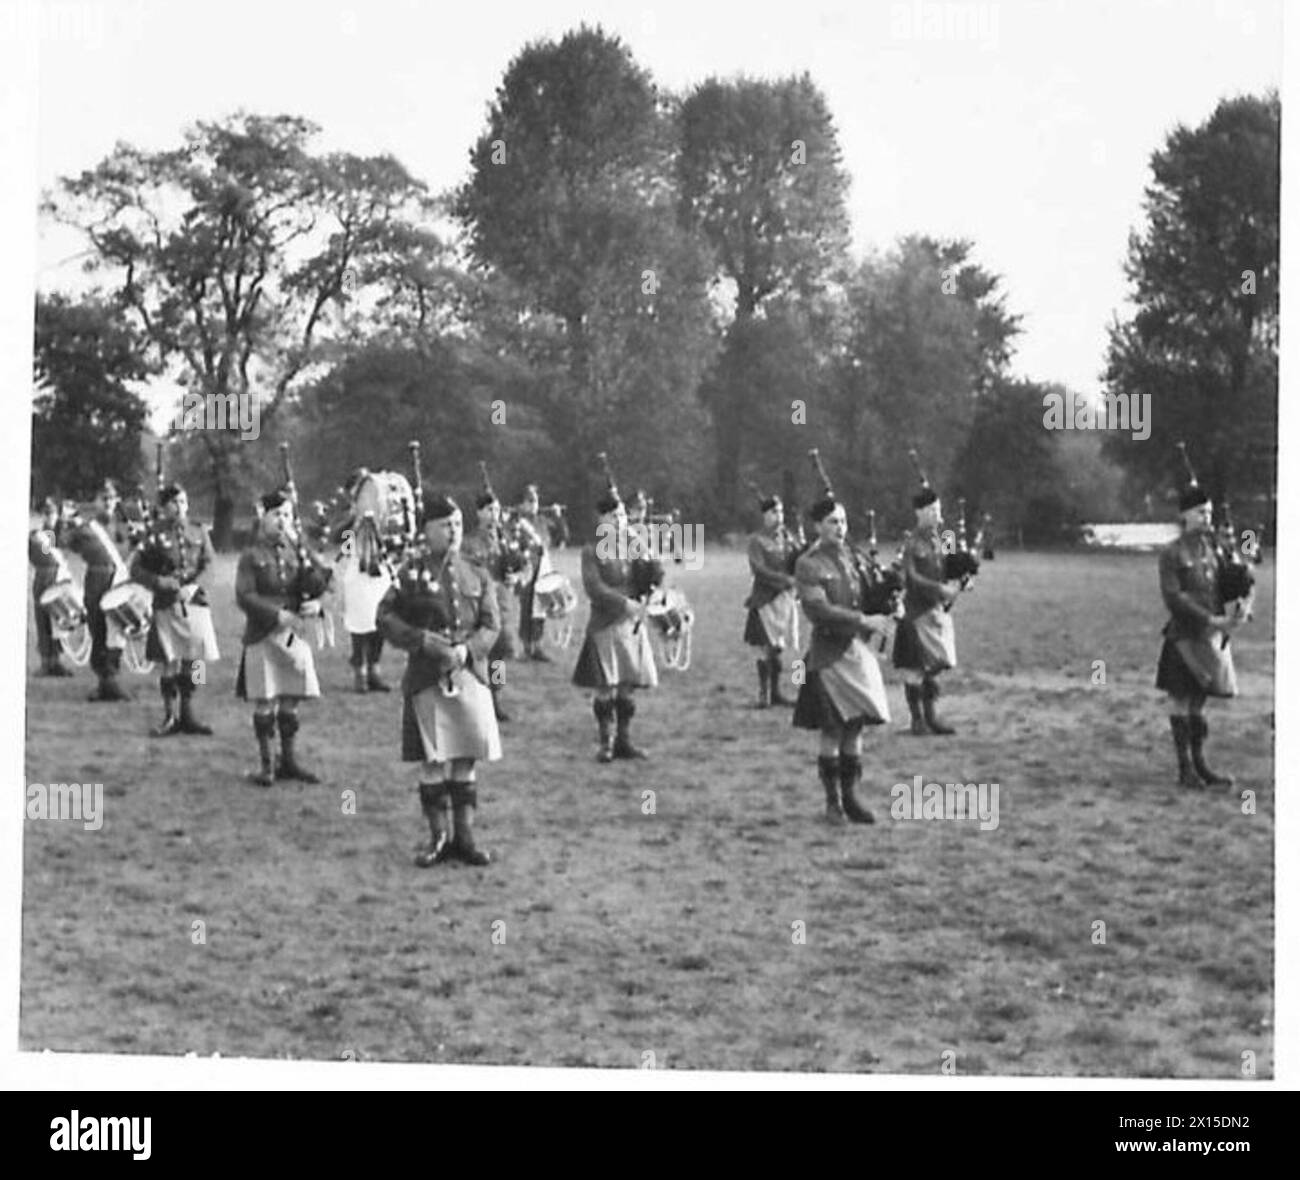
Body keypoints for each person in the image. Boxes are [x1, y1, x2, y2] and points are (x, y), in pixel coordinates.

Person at [377, 494, 501, 867]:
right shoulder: (410, 573)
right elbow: (384, 617)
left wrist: (467, 652)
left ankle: (465, 836)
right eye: (446, 525)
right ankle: (438, 837)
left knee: (466, 756)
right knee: (433, 760)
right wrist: (420, 640)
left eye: (458, 524)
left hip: (469, 676)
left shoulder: (476, 571)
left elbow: (491, 625)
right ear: (427, 530)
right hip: (427, 678)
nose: (455, 531)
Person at [792, 496, 892, 824]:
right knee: (833, 730)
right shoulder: (809, 564)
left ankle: (851, 798)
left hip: (857, 652)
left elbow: (866, 594)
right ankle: (832, 802)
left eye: (843, 521)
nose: (840, 528)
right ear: (818, 526)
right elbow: (818, 610)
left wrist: (889, 602)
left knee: (856, 726)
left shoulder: (852, 558)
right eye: (833, 522)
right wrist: (864, 620)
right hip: (829, 656)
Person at [234, 489, 331, 786]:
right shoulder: (251, 556)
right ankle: (267, 767)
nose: (282, 521)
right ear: (262, 517)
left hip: (293, 634)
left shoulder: (298, 551)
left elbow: (326, 579)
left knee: (291, 699)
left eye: (287, 515)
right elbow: (244, 596)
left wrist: (319, 603)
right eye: (277, 514)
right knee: (265, 700)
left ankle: (288, 762)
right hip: (264, 634)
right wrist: (277, 615)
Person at [1156, 480, 1246, 790]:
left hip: (1209, 636)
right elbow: (1174, 597)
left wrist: (1240, 585)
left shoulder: (1213, 549)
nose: (1206, 518)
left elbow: (1225, 584)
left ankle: (1200, 764)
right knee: (1181, 700)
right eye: (1200, 513)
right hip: (1184, 637)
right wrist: (1210, 618)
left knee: (1198, 702)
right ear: (1185, 516)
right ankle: (1185, 770)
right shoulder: (1172, 553)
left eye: (1208, 513)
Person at [572, 486, 659, 762]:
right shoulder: (591, 549)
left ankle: (624, 740)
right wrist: (624, 603)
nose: (620, 520)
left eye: (622, 515)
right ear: (602, 519)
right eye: (614, 516)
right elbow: (594, 588)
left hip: (629, 624)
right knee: (605, 686)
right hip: (605, 623)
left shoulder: (632, 544)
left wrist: (649, 561)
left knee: (627, 684)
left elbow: (652, 574)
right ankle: (606, 742)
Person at [129, 484, 218, 736]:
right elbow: (136, 569)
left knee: (196, 661)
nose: (180, 507)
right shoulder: (153, 534)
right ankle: (169, 715)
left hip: (195, 603)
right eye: (174, 503)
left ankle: (189, 712)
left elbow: (209, 563)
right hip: (167, 604)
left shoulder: (199, 530)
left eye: (183, 502)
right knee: (169, 661)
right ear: (164, 506)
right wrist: (159, 582)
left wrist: (195, 586)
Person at [893, 481, 960, 735]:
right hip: (915, 613)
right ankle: (917, 719)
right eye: (932, 510)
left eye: (938, 509)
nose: (937, 515)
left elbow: (951, 566)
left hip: (936, 610)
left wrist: (961, 576)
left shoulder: (944, 539)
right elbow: (910, 577)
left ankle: (931, 717)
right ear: (919, 513)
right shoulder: (911, 543)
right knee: (915, 667)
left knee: (936, 663)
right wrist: (938, 588)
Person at [67, 480, 136, 702]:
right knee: (98, 629)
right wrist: (61, 523)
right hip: (97, 581)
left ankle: (112, 678)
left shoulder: (121, 527)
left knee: (117, 630)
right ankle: (104, 681)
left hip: (117, 580)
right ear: (96, 501)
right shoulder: (84, 527)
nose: (108, 503)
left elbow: (127, 553)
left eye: (112, 499)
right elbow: (60, 544)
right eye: (104, 498)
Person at [461, 488, 523, 722]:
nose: (494, 514)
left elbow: (520, 564)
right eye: (489, 509)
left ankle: (496, 697)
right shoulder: (469, 542)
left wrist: (516, 576)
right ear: (479, 512)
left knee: (500, 656)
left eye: (496, 509)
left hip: (503, 602)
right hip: (481, 602)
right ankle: (479, 696)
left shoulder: (506, 538)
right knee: (479, 652)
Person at [335, 470, 394, 694]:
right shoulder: (346, 514)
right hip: (357, 571)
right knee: (359, 624)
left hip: (379, 569)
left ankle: (374, 669)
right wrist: (353, 521)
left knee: (380, 621)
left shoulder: (381, 511)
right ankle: (359, 670)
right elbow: (342, 545)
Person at [743, 492, 801, 707]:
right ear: (765, 515)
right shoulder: (757, 541)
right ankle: (764, 692)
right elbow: (759, 570)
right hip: (766, 599)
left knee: (790, 649)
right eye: (774, 512)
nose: (779, 516)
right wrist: (786, 580)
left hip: (787, 599)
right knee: (764, 648)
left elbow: (799, 560)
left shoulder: (789, 537)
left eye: (781, 511)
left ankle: (792, 689)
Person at [29, 497, 74, 677]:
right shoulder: (36, 535)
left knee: (58, 619)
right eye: (46, 513)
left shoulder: (58, 532)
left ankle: (57, 661)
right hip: (44, 577)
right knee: (43, 620)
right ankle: (46, 661)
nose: (50, 517)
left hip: (57, 576)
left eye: (53, 513)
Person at [514, 484, 551, 660]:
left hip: (542, 568)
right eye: (529, 501)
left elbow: (559, 536)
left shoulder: (542, 522)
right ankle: (526, 646)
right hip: (527, 569)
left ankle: (537, 645)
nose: (533, 504)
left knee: (540, 608)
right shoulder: (517, 523)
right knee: (526, 608)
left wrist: (558, 518)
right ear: (521, 504)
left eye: (535, 501)